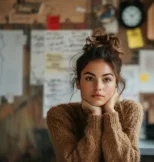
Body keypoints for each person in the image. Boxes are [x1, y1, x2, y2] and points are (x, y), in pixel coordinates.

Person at [46, 31, 143, 162]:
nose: (98, 86)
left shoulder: (130, 110)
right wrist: (95, 116)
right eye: (89, 78)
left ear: (116, 84)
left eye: (107, 79)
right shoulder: (60, 115)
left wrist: (110, 112)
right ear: (78, 83)